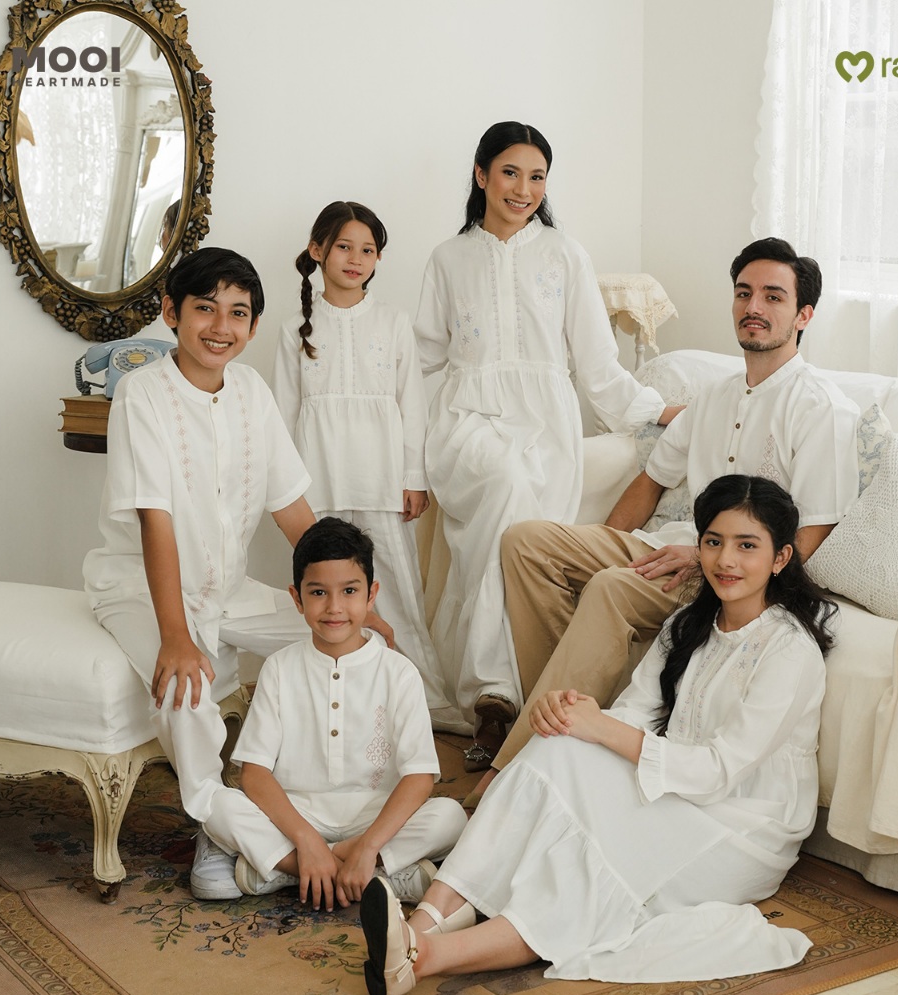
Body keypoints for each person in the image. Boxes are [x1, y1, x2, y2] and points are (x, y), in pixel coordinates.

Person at [359, 474, 838, 995]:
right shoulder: (688, 625)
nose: (726, 560)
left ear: (780, 557)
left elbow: (720, 770)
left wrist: (601, 727)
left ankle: (424, 957)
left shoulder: (789, 651)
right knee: (559, 744)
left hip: (743, 829)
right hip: (678, 792)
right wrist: (576, 717)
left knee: (590, 864)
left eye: (747, 546)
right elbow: (633, 711)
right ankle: (421, 924)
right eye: (713, 541)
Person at [467, 237, 858, 804]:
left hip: (732, 572)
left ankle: (512, 772)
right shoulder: (716, 396)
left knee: (610, 588)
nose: (754, 306)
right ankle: (571, 721)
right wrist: (608, 541)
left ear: (804, 315)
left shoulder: (820, 407)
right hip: (670, 548)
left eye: (773, 296)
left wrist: (706, 555)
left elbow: (810, 533)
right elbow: (651, 480)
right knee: (526, 541)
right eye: (744, 293)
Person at [414, 120, 678, 760]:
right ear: (481, 175)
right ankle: (494, 691)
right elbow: (421, 361)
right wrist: (401, 451)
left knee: (518, 527)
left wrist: (656, 410)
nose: (523, 189)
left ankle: (501, 700)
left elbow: (597, 365)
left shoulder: (565, 255)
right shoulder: (447, 259)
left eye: (537, 177)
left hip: (544, 427)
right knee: (505, 481)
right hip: (467, 420)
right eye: (510, 172)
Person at [83, 247, 317, 899]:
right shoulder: (142, 394)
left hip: (228, 590)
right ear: (171, 313)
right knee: (186, 695)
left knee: (344, 639)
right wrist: (176, 637)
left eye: (238, 313)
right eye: (205, 308)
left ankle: (322, 805)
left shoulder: (252, 392)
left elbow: (293, 509)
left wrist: (343, 599)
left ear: (254, 324)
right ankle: (263, 849)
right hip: (139, 590)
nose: (221, 326)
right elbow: (155, 523)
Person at [201, 518, 468, 908]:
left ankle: (290, 871)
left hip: (375, 817)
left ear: (371, 594)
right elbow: (254, 775)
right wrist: (307, 840)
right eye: (318, 593)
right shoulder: (279, 668)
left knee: (450, 817)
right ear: (297, 599)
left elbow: (419, 777)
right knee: (214, 804)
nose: (334, 607)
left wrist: (369, 844)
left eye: (349, 591)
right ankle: (369, 873)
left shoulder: (399, 672)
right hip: (297, 816)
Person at [271, 201, 465, 735]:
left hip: (381, 481)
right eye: (344, 247)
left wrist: (413, 478)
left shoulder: (394, 322)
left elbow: (411, 405)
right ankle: (330, 705)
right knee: (325, 592)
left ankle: (423, 700)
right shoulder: (293, 330)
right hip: (317, 482)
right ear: (318, 250)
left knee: (394, 591)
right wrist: (288, 491)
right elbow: (283, 416)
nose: (356, 259)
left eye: (368, 249)